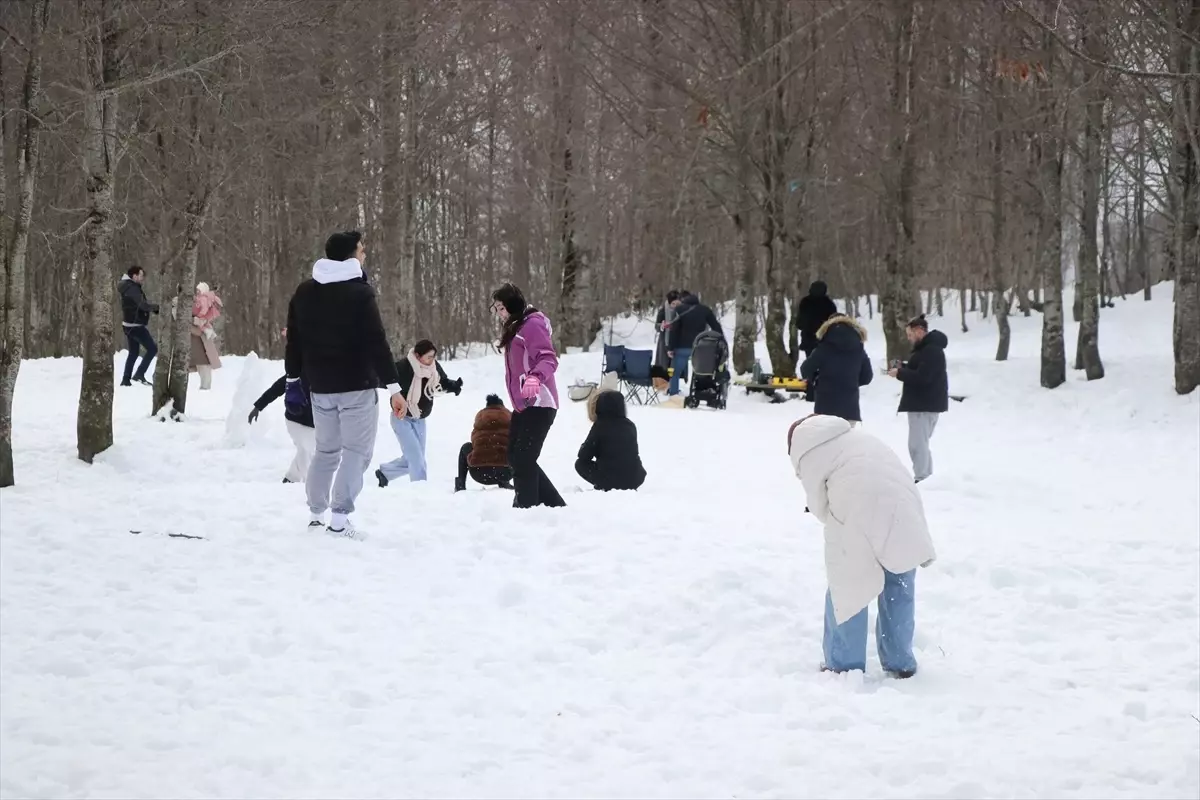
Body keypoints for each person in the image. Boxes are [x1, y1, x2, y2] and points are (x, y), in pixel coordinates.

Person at [787, 414, 937, 678]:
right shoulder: (857, 438)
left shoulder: (808, 450)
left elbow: (820, 505)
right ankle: (900, 661)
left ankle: (844, 665)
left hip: (859, 512)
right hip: (905, 511)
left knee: (849, 586)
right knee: (898, 583)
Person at [285, 230, 406, 539]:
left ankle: (316, 514)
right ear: (351, 256)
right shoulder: (360, 293)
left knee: (326, 451)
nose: (364, 255)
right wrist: (394, 387)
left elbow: (294, 341)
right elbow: (376, 341)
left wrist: (293, 379)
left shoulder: (304, 292)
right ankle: (339, 519)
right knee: (356, 452)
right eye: (362, 251)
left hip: (320, 387)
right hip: (355, 385)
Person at [493, 282, 566, 509]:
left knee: (523, 459)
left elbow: (548, 358)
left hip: (541, 402)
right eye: (495, 309)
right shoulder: (517, 326)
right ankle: (554, 505)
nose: (498, 314)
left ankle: (525, 509)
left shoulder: (532, 325)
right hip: (524, 403)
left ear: (513, 305)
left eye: (501, 308)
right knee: (515, 457)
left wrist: (535, 377)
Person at [375, 339, 463, 487]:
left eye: (433, 356)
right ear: (417, 355)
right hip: (401, 418)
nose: (432, 360)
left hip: (420, 419)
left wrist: (454, 386)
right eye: (429, 356)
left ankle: (385, 473)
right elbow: (387, 380)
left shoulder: (434, 368)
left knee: (416, 457)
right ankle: (420, 490)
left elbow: (442, 382)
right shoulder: (404, 367)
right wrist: (370, 379)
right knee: (416, 459)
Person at [888, 314, 949, 483]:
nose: (908, 338)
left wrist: (900, 373)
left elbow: (923, 377)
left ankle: (922, 477)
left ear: (919, 331)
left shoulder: (931, 350)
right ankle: (926, 476)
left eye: (910, 334)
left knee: (917, 444)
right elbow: (921, 370)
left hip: (924, 404)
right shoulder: (928, 350)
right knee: (921, 443)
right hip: (926, 403)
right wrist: (904, 367)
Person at [798, 314, 873, 424]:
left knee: (826, 440)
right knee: (846, 440)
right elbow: (867, 377)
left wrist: (816, 379)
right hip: (850, 407)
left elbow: (805, 369)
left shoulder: (824, 347)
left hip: (825, 406)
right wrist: (851, 381)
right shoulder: (858, 348)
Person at [248, 360, 314, 484]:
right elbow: (276, 389)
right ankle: (307, 483)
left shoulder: (328, 373)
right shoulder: (297, 372)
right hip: (295, 420)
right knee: (309, 450)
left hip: (313, 423)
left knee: (306, 450)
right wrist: (258, 406)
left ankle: (291, 478)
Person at [575, 390, 646, 492]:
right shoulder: (630, 425)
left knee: (580, 464)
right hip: (634, 478)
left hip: (609, 480)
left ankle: (605, 483)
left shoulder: (600, 426)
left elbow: (583, 455)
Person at [666, 290, 724, 397]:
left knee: (675, 372)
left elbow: (674, 330)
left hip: (681, 346)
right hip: (700, 347)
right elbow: (715, 326)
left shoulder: (679, 310)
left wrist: (670, 348)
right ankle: (698, 392)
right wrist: (721, 340)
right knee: (700, 371)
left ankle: (673, 393)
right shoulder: (705, 310)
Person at [455, 394, 514, 492]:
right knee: (515, 446)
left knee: (466, 446)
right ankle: (506, 482)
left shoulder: (481, 416)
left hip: (479, 473)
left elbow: (474, 441)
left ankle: (460, 484)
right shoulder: (509, 415)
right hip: (505, 473)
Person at [118, 266, 160, 387]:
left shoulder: (128, 286)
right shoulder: (132, 288)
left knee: (133, 353)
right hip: (135, 326)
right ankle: (139, 374)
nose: (143, 279)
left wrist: (153, 309)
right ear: (134, 276)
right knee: (152, 349)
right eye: (141, 276)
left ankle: (126, 380)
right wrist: (157, 308)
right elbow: (142, 305)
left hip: (128, 325)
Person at [190, 282, 223, 390]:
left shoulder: (204, 299)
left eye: (199, 290)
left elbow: (203, 311)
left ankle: (206, 386)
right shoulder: (199, 299)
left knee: (204, 362)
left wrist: (198, 319)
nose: (197, 292)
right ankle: (205, 385)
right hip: (198, 332)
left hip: (201, 334)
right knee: (201, 362)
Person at [796, 281, 838, 359]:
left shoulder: (805, 302)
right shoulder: (829, 304)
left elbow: (799, 323)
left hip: (808, 340)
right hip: (825, 340)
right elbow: (834, 323)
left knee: (810, 365)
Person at [654, 290, 681, 370]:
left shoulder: (681, 311)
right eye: (673, 304)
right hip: (664, 343)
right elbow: (657, 325)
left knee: (674, 368)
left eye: (677, 304)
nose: (675, 306)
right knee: (664, 365)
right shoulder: (663, 311)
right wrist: (662, 326)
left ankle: (672, 380)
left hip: (677, 342)